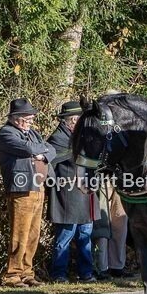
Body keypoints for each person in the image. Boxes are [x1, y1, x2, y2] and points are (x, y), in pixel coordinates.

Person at [0, 98, 55, 287]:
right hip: (21, 189)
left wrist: (41, 152)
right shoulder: (6, 133)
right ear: (15, 118)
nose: (30, 121)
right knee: (19, 233)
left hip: (38, 187)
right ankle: (12, 274)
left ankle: (27, 273)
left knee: (33, 234)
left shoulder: (33, 133)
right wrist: (40, 151)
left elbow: (52, 149)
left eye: (31, 118)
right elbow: (28, 149)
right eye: (27, 118)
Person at [47, 101, 97, 283]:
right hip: (67, 195)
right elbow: (49, 164)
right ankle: (58, 273)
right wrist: (55, 182)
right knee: (65, 236)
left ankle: (86, 272)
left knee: (85, 235)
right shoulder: (57, 138)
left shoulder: (84, 136)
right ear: (67, 120)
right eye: (75, 119)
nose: (77, 122)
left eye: (79, 119)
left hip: (86, 193)